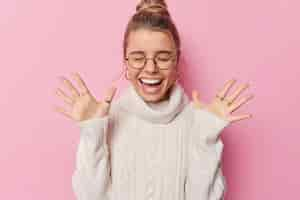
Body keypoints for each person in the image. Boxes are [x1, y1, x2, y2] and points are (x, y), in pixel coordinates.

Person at [54, 0, 254, 199]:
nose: (150, 68)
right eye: (138, 57)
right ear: (126, 61)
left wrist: (206, 137)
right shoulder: (105, 120)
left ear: (177, 60)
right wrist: (92, 133)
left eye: (163, 57)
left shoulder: (198, 121)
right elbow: (90, 197)